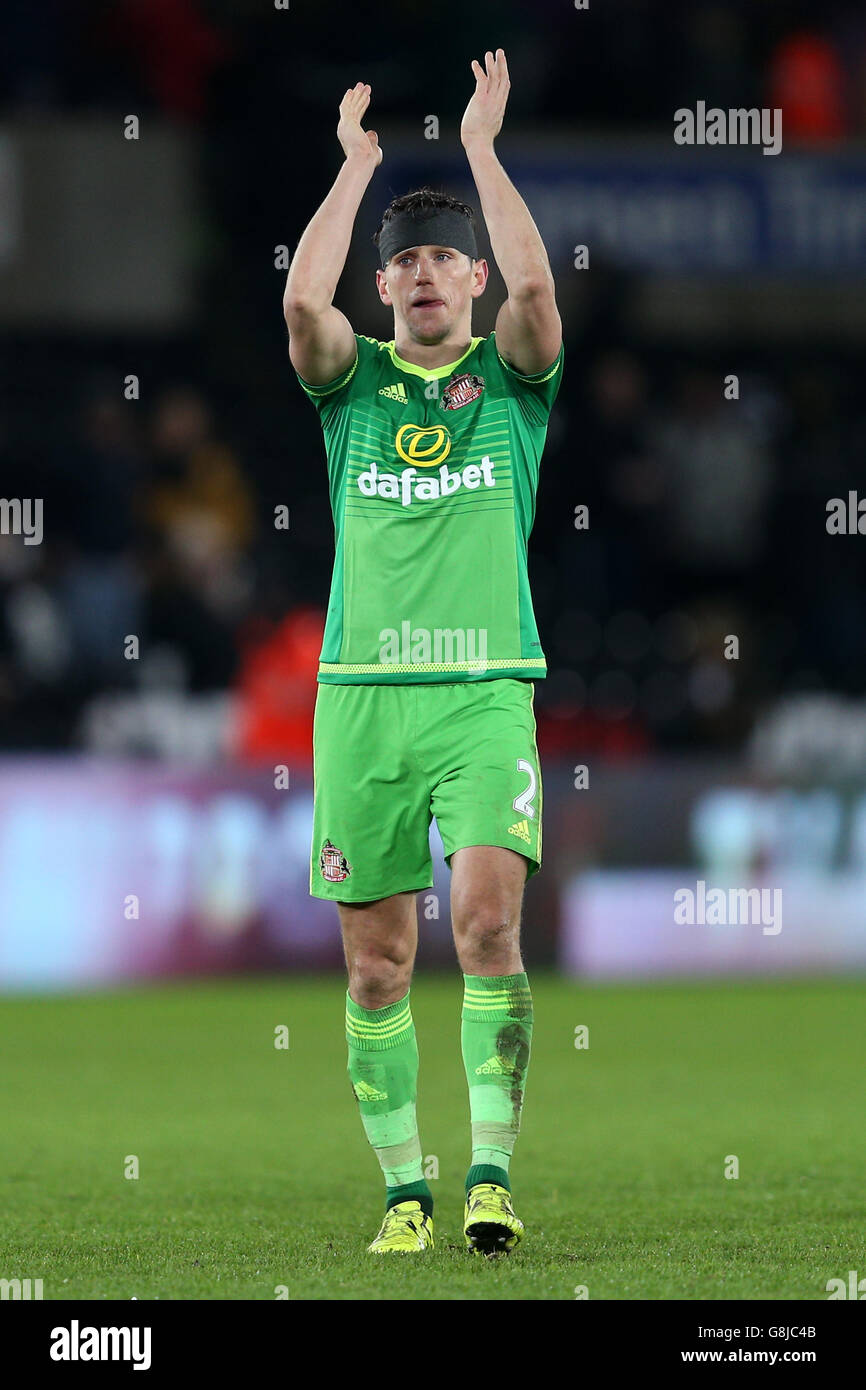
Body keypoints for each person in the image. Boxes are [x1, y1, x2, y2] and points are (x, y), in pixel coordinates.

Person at [283, 50, 563, 1256]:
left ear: (473, 276)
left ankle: (492, 1174)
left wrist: (485, 152)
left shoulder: (511, 384)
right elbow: (301, 309)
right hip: (361, 701)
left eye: (443, 256)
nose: (422, 273)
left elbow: (543, 289)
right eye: (403, 262)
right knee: (379, 965)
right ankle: (406, 1188)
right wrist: (354, 171)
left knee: (488, 920)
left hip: (484, 686)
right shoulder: (352, 391)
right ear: (385, 287)